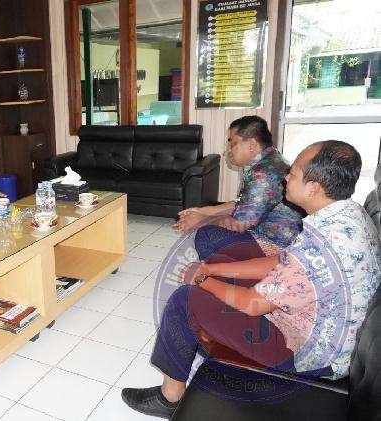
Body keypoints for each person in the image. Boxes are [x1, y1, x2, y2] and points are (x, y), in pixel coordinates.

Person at [122, 141, 380, 418]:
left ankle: (169, 398)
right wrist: (214, 269)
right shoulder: (348, 215)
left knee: (185, 300)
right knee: (221, 261)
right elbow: (282, 262)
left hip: (307, 356)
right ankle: (211, 334)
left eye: (293, 174)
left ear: (314, 188)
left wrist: (200, 279)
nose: (285, 177)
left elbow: (253, 305)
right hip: (318, 331)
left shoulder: (325, 244)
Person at [175, 116, 303, 262]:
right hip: (274, 231)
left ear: (252, 145)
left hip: (275, 243)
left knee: (207, 234)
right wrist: (202, 211)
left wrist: (201, 220)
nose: (228, 150)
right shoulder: (271, 158)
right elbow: (243, 204)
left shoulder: (262, 174)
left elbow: (240, 224)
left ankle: (229, 274)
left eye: (233, 143)